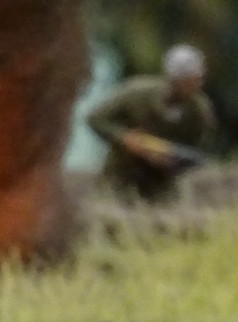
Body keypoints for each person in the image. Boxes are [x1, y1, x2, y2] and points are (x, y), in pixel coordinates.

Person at [86, 44, 217, 204]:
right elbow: (96, 119)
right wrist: (125, 138)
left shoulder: (198, 110)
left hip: (161, 184)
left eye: (198, 78)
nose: (197, 84)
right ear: (175, 79)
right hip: (121, 177)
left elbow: (196, 149)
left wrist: (169, 159)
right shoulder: (137, 94)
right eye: (189, 79)